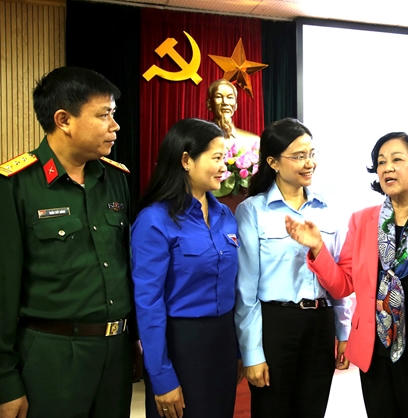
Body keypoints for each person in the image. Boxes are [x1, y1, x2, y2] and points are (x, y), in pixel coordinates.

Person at [285, 132, 408, 418]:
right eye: (381, 162)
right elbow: (342, 285)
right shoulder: (362, 222)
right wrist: (318, 248)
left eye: (397, 160)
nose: (387, 168)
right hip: (375, 354)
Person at [0, 66, 133, 418]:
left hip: (115, 355)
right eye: (104, 115)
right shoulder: (16, 184)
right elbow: (3, 289)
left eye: (113, 114)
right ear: (64, 120)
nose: (115, 125)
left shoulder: (115, 178)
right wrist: (5, 380)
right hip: (52, 356)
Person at [234, 118, 352, 418]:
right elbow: (246, 291)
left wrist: (344, 331)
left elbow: (340, 280)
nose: (309, 163)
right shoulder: (253, 211)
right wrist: (252, 353)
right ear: (273, 162)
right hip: (276, 325)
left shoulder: (328, 209)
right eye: (299, 156)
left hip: (320, 324)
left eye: (311, 153)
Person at [130, 118, 240, 418]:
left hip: (223, 342)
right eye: (216, 158)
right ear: (186, 160)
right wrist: (161, 375)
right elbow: (148, 303)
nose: (224, 167)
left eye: (225, 158)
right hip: (180, 345)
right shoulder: (155, 220)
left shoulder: (225, 216)